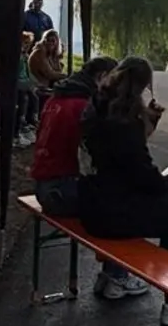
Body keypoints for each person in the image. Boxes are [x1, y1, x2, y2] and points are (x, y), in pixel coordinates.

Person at [79, 57, 168, 325]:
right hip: (112, 215)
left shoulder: (95, 108)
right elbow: (144, 177)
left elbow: (124, 164)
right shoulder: (126, 125)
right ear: (142, 87)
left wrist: (148, 123)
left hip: (91, 204)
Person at [30, 57, 137, 296]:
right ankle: (117, 277)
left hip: (43, 186)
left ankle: (112, 273)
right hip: (61, 189)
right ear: (101, 77)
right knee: (120, 204)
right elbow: (99, 154)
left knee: (110, 196)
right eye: (114, 81)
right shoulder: (84, 105)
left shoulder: (57, 97)